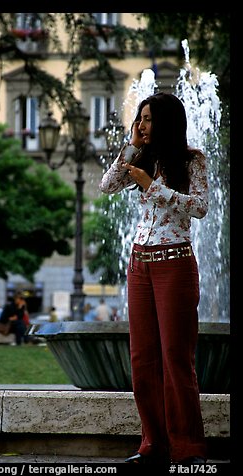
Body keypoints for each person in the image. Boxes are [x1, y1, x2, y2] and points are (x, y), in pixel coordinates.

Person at [99, 92, 208, 465]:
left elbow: (200, 207)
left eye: (147, 119)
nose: (141, 125)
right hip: (139, 263)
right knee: (142, 358)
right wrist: (130, 149)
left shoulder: (193, 160)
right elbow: (106, 185)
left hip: (174, 262)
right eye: (139, 119)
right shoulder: (140, 159)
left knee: (176, 356)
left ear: (166, 122)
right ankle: (152, 444)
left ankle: (187, 447)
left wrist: (152, 185)